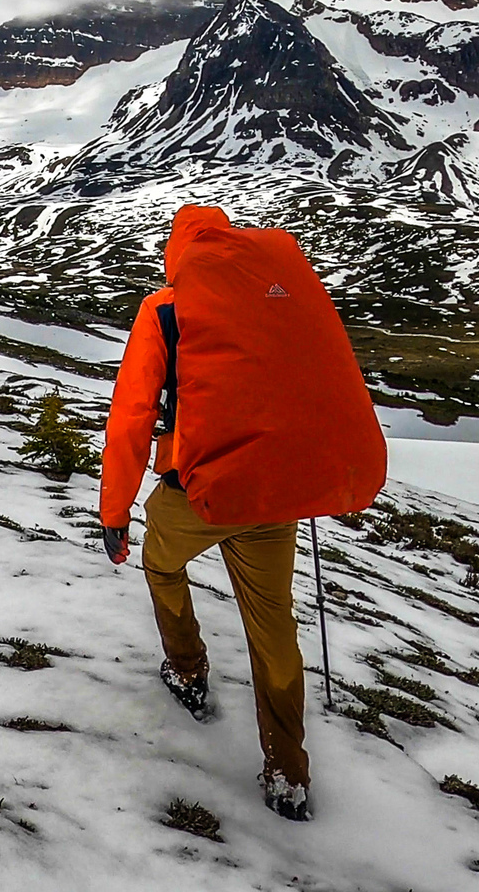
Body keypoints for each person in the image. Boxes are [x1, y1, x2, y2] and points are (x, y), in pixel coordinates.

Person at [98, 204, 384, 823]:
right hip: (274, 493)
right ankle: (288, 768)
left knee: (160, 563)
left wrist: (114, 511)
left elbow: (131, 418)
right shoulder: (275, 302)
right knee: (273, 624)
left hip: (197, 494)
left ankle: (188, 670)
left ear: (180, 251)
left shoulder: (165, 310)